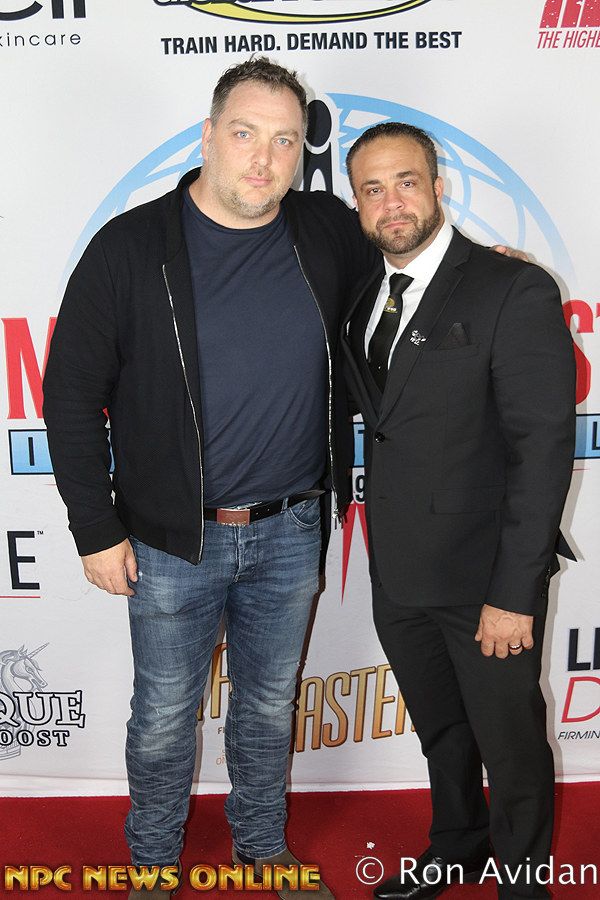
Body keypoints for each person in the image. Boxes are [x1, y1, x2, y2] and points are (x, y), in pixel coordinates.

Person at [43, 57, 526, 898]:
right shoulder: (130, 248)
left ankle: (261, 852)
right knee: (163, 718)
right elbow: (71, 395)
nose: (263, 158)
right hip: (171, 539)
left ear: (302, 151)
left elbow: (409, 264)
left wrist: (484, 270)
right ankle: (151, 865)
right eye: (245, 134)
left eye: (284, 141)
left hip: (293, 529)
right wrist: (96, 527)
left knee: (269, 709)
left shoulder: (323, 229)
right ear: (208, 136)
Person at [341, 123, 575, 900]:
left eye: (406, 182)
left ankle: (524, 883)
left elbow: (541, 450)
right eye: (372, 189)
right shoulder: (362, 294)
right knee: (442, 732)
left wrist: (515, 593)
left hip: (485, 580)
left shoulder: (512, 288)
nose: (391, 202)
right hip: (399, 572)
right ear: (357, 204)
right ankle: (456, 846)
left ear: (439, 187)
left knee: (510, 746)